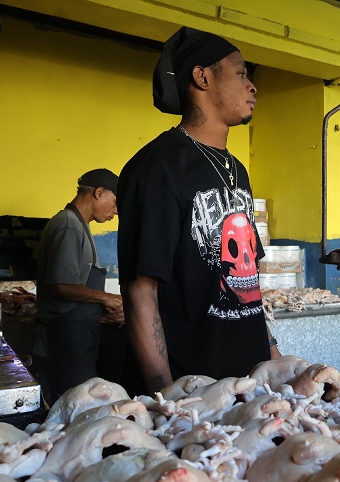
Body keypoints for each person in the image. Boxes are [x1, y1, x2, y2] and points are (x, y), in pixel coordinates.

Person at [117, 26, 281, 396]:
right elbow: (140, 291)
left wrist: (274, 358)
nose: (252, 86)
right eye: (240, 73)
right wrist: (166, 397)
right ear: (202, 77)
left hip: (248, 388)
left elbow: (248, 283)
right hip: (193, 392)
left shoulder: (237, 170)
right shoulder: (156, 168)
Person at [32, 168, 124, 406]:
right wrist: (108, 298)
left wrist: (103, 308)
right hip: (65, 338)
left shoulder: (78, 225)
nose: (116, 211)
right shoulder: (68, 225)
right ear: (99, 193)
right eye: (116, 202)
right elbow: (60, 286)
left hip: (75, 335)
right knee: (72, 404)